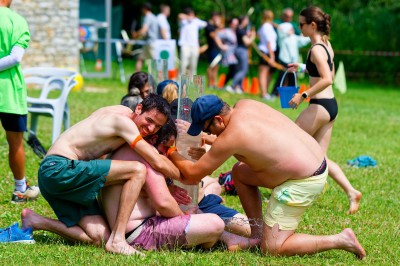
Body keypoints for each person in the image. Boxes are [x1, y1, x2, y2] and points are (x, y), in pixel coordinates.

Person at [167, 94, 366, 259]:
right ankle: (256, 234)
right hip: (315, 162)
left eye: (207, 128)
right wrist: (208, 139)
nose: (207, 132)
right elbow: (245, 142)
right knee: (239, 171)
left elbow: (193, 174)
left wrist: (170, 150)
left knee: (273, 249)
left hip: (304, 181)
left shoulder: (232, 135)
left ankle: (341, 239)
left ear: (218, 120)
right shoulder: (245, 105)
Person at [22, 94, 180, 256]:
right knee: (137, 170)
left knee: (100, 237)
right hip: (58, 168)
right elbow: (157, 161)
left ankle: (35, 220)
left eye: (158, 127)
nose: (151, 129)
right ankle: (118, 240)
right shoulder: (124, 123)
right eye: (149, 120)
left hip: (59, 175)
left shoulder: (120, 111)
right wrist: (182, 175)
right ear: (139, 108)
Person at [99, 119, 257, 251]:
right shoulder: (147, 158)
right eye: (167, 148)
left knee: (197, 211)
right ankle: (218, 239)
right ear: (154, 140)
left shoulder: (131, 149)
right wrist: (186, 217)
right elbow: (164, 203)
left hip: (139, 226)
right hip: (140, 233)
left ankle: (230, 240)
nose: (168, 153)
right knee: (214, 223)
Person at [287, 6, 362, 215]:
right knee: (321, 158)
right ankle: (351, 192)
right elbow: (328, 70)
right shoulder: (326, 45)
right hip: (331, 106)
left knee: (289, 143)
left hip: (319, 105)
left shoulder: (316, 49)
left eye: (301, 24)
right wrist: (303, 68)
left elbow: (327, 78)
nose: (299, 27)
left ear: (312, 25)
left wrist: (302, 95)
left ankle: (286, 191)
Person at [0, 0, 40, 203]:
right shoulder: (17, 21)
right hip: (9, 93)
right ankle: (19, 190)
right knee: (15, 143)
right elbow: (15, 58)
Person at [226, 15, 256, 94]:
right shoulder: (241, 30)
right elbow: (247, 42)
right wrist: (253, 37)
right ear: (244, 20)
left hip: (238, 50)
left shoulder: (240, 29)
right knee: (244, 70)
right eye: (247, 20)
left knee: (239, 69)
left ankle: (238, 87)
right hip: (241, 50)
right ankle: (232, 86)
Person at [177, 8, 207, 76]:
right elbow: (179, 15)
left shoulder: (196, 21)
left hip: (194, 46)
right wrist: (189, 17)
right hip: (185, 45)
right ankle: (181, 79)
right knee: (183, 64)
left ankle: (191, 81)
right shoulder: (183, 21)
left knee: (193, 64)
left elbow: (205, 24)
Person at [132, 2, 159, 72]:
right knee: (140, 58)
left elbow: (144, 29)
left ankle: (161, 79)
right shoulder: (153, 17)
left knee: (156, 62)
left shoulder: (148, 17)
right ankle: (135, 75)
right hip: (149, 42)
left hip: (151, 43)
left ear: (145, 9)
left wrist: (136, 35)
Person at [257, 10, 278, 100]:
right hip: (267, 51)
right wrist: (272, 56)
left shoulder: (264, 26)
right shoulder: (267, 27)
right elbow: (269, 42)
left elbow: (258, 35)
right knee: (263, 73)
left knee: (267, 73)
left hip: (266, 51)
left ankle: (265, 92)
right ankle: (264, 93)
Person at [215, 17, 239, 89]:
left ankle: (225, 85)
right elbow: (217, 36)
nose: (235, 25)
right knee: (233, 69)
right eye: (234, 23)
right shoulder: (226, 31)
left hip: (233, 53)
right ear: (230, 24)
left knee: (233, 70)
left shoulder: (234, 32)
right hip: (228, 53)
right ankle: (223, 85)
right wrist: (221, 45)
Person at [205, 12, 223, 89]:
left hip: (217, 49)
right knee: (211, 66)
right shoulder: (209, 26)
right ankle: (210, 84)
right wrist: (219, 28)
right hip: (211, 49)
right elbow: (212, 35)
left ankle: (214, 83)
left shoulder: (215, 27)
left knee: (216, 67)